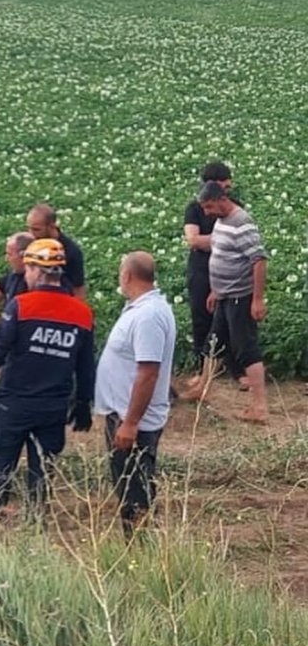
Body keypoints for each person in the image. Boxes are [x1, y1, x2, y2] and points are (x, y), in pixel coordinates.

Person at [0, 238, 95, 511]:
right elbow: (85, 365)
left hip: (14, 403)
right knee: (42, 473)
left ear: (36, 270)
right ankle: (36, 525)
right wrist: (83, 402)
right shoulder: (82, 314)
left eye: (27, 269)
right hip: (54, 407)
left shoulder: (22, 306)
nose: (25, 275)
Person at [94, 252, 176, 535]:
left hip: (134, 420)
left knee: (135, 490)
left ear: (127, 276)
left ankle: (141, 551)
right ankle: (138, 546)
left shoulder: (148, 316)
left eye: (120, 273)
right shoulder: (141, 309)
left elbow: (148, 372)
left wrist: (130, 423)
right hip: (125, 414)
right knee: (128, 486)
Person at [180, 182, 268, 422]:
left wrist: (257, 299)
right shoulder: (221, 221)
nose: (206, 212)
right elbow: (220, 253)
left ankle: (259, 407)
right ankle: (203, 389)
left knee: (246, 349)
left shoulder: (242, 222)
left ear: (221, 199)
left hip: (241, 297)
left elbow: (259, 260)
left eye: (209, 206)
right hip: (225, 296)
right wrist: (216, 291)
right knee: (213, 343)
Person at [182, 161, 242, 384]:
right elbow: (193, 240)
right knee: (201, 317)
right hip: (201, 270)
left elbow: (240, 238)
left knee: (231, 317)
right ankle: (202, 368)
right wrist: (224, 239)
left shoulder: (235, 206)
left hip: (228, 268)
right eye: (224, 184)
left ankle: (235, 367)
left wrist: (212, 241)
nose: (228, 188)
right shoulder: (195, 207)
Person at [26, 203, 86, 299]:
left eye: (36, 229)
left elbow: (78, 287)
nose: (31, 234)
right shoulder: (31, 243)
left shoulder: (71, 251)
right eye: (28, 228)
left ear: (51, 226)